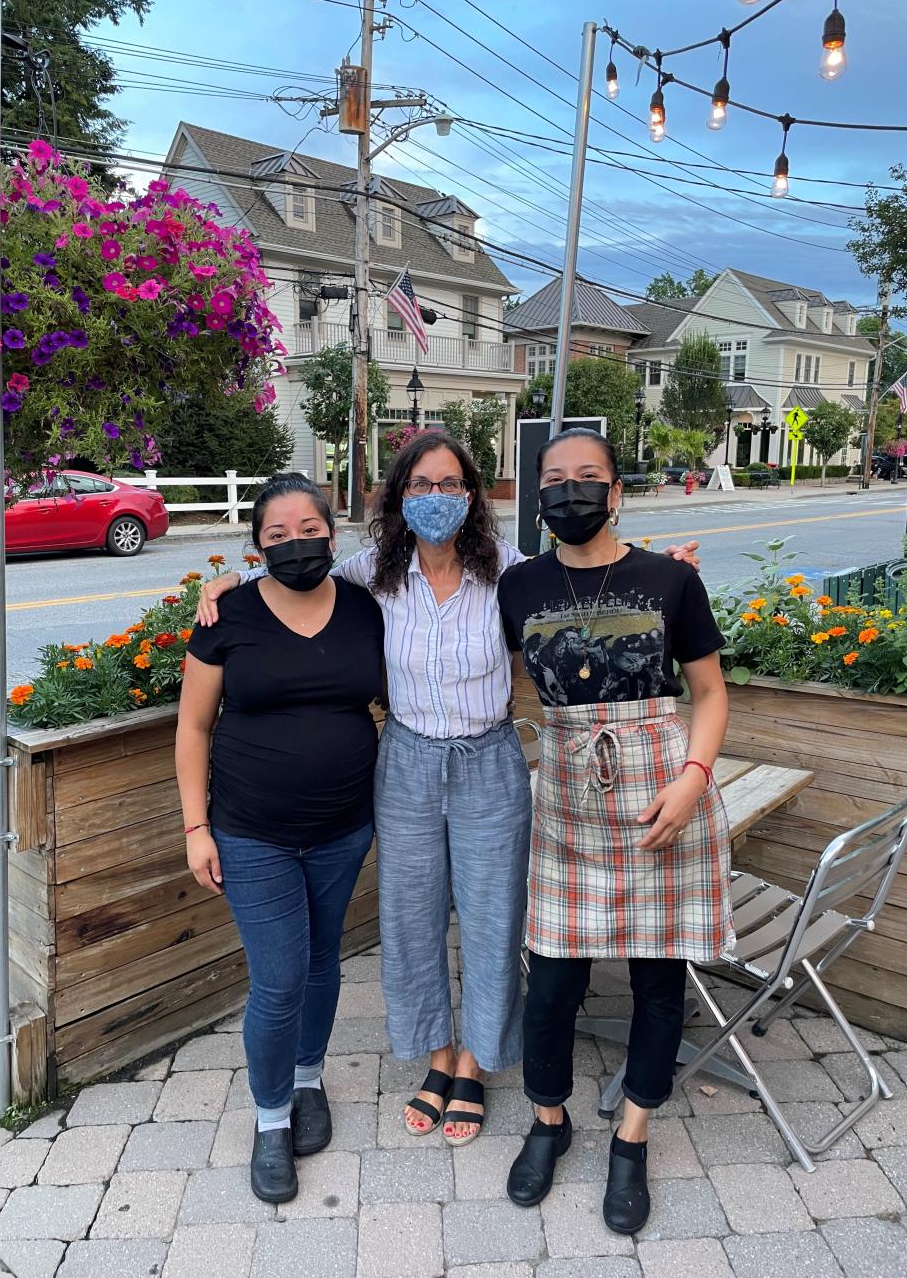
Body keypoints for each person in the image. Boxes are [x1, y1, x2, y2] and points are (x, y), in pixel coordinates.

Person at [197, 432, 700, 1148]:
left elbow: (586, 586)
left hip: (489, 760)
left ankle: (475, 1060)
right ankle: (436, 1055)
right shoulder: (369, 574)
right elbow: (290, 584)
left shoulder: (512, 575)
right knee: (410, 918)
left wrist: (665, 569)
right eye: (422, 485)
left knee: (494, 919)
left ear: (472, 494)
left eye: (450, 484)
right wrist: (222, 585)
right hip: (403, 762)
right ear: (400, 497)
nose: (437, 499)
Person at [497, 429, 733, 1235]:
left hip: (662, 792)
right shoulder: (518, 585)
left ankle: (632, 1136)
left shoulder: (671, 579)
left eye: (587, 478)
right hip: (566, 795)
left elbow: (709, 692)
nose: (570, 492)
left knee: (657, 983)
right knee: (553, 981)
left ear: (617, 490)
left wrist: (693, 781)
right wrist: (235, 587)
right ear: (539, 496)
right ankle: (549, 1119)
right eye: (555, 480)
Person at [176, 473, 384, 1204]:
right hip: (250, 832)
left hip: (344, 827)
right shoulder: (227, 613)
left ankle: (307, 1078)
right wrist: (196, 827)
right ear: (255, 546)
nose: (296, 545)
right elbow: (193, 727)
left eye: (309, 530)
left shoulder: (365, 607)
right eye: (276, 537)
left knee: (324, 961)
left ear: (333, 531)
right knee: (280, 977)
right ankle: (269, 1119)